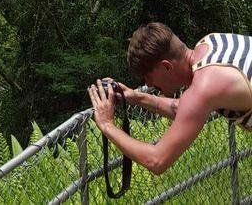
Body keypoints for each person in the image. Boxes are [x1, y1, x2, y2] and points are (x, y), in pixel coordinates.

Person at [89, 23, 252, 172]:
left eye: (148, 77)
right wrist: (136, 97)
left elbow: (156, 160)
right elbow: (185, 110)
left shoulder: (205, 87)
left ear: (166, 66)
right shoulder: (210, 43)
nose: (148, 84)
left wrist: (106, 124)